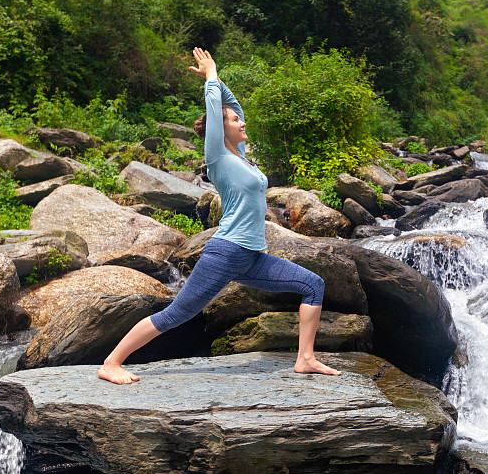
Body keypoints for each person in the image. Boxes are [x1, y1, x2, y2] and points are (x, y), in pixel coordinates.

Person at [98, 47, 342, 384]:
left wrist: (218, 80)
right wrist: (210, 78)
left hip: (253, 256)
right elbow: (217, 109)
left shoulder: (239, 156)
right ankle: (111, 363)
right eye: (233, 121)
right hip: (225, 252)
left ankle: (305, 359)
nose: (242, 122)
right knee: (178, 313)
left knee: (313, 285)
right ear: (219, 128)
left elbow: (232, 106)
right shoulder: (218, 158)